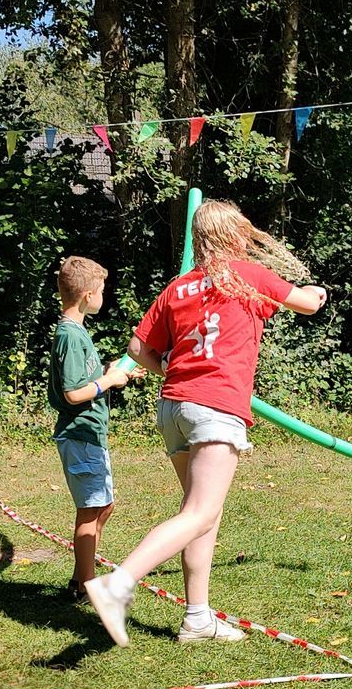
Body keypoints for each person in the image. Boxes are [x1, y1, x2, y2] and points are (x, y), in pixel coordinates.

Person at [83, 199, 327, 646]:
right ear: (234, 236)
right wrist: (318, 292)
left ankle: (197, 618)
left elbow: (137, 349)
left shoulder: (178, 287)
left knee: (199, 514)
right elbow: (308, 305)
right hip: (216, 405)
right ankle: (118, 584)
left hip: (174, 407)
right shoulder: (247, 276)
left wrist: (168, 368)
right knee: (200, 512)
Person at [48, 256, 138, 601]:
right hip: (80, 434)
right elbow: (73, 393)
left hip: (89, 435)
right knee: (90, 510)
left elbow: (83, 378)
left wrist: (113, 372)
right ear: (88, 295)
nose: (104, 294)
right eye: (102, 289)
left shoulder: (76, 332)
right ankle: (86, 586)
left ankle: (80, 578)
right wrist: (108, 381)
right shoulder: (70, 335)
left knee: (103, 506)